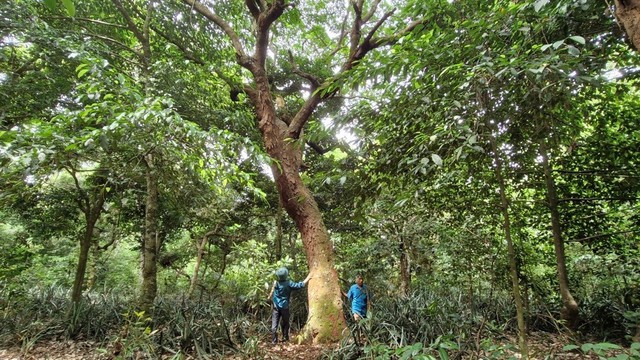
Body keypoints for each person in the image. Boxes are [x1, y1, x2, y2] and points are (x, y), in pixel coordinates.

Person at [268, 267, 311, 344]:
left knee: (274, 324)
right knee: (286, 323)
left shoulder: (276, 283)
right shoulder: (288, 283)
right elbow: (299, 285)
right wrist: (308, 278)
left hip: (276, 307)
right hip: (284, 307)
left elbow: (271, 293)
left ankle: (274, 341)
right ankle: (285, 338)